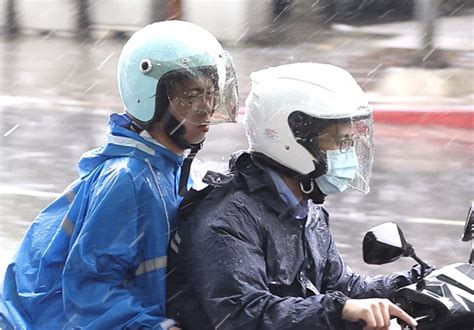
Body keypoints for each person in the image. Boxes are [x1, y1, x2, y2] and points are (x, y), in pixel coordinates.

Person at [0, 20, 238, 329]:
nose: (205, 108)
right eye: (190, 97)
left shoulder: (177, 170)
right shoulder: (128, 178)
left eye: (209, 94)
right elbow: (92, 287)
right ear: (149, 98)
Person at [167, 63, 427, 329]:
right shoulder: (227, 219)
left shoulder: (306, 208)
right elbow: (245, 315)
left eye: (349, 142)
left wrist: (419, 281)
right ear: (291, 139)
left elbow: (343, 287)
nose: (346, 153)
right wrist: (340, 311)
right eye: (339, 142)